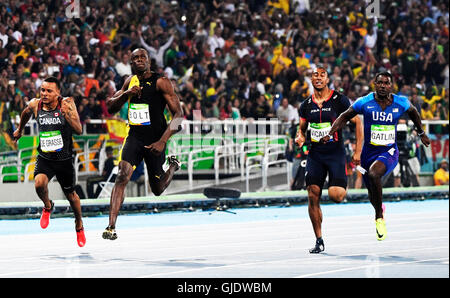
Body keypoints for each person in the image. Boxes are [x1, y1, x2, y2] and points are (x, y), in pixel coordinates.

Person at [320, 72, 431, 241]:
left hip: (389, 151)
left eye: (386, 83)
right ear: (374, 84)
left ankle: (379, 218)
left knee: (374, 174)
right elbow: (344, 116)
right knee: (372, 192)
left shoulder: (400, 102)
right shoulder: (364, 102)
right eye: (379, 83)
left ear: (391, 85)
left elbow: (414, 112)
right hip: (368, 153)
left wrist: (421, 132)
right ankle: (379, 208)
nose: (382, 86)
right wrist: (330, 133)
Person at [102, 48, 183, 240]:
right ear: (130, 63)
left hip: (156, 140)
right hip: (135, 137)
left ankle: (172, 166)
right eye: (135, 58)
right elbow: (111, 107)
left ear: (149, 61)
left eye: (142, 58)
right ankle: (111, 226)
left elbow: (179, 117)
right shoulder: (130, 81)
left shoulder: (161, 82)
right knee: (122, 175)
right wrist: (126, 94)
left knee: (157, 189)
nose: (139, 61)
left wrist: (163, 141)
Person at [295, 66, 363, 253]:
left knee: (336, 196)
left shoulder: (339, 100)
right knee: (312, 194)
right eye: (315, 75)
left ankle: (340, 183)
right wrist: (300, 137)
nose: (318, 78)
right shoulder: (306, 105)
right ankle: (319, 239)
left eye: (322, 75)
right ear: (311, 79)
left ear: (327, 80)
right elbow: (301, 128)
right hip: (315, 154)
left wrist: (357, 151)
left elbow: (358, 122)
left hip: (335, 154)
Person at [13, 76, 86, 247]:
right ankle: (47, 206)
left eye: (49, 91)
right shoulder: (35, 104)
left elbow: (79, 130)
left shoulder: (66, 104)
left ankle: (79, 224)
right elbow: (25, 113)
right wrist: (19, 129)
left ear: (58, 92)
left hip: (64, 159)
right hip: (45, 157)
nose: (44, 94)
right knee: (39, 184)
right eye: (43, 90)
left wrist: (67, 116)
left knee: (71, 196)